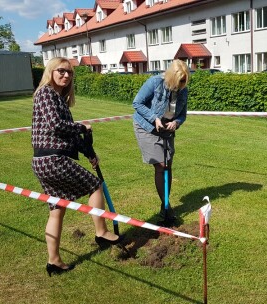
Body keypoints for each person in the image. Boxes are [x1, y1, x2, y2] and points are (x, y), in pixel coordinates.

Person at [32, 57, 122, 277]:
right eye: (61, 71)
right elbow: (57, 125)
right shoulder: (46, 93)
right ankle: (101, 232)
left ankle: (53, 261)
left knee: (57, 210)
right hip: (53, 160)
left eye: (70, 72)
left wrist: (89, 153)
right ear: (50, 72)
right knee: (95, 186)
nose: (66, 75)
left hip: (44, 161)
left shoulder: (59, 99)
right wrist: (80, 126)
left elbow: (70, 137)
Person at [132, 59, 190, 225]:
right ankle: (167, 207)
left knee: (168, 165)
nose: (180, 86)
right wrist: (154, 118)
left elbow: (182, 114)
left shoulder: (183, 90)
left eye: (184, 82)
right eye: (179, 82)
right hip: (147, 127)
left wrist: (176, 122)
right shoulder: (155, 82)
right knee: (160, 165)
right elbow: (137, 103)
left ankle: (164, 205)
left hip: (167, 129)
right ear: (171, 77)